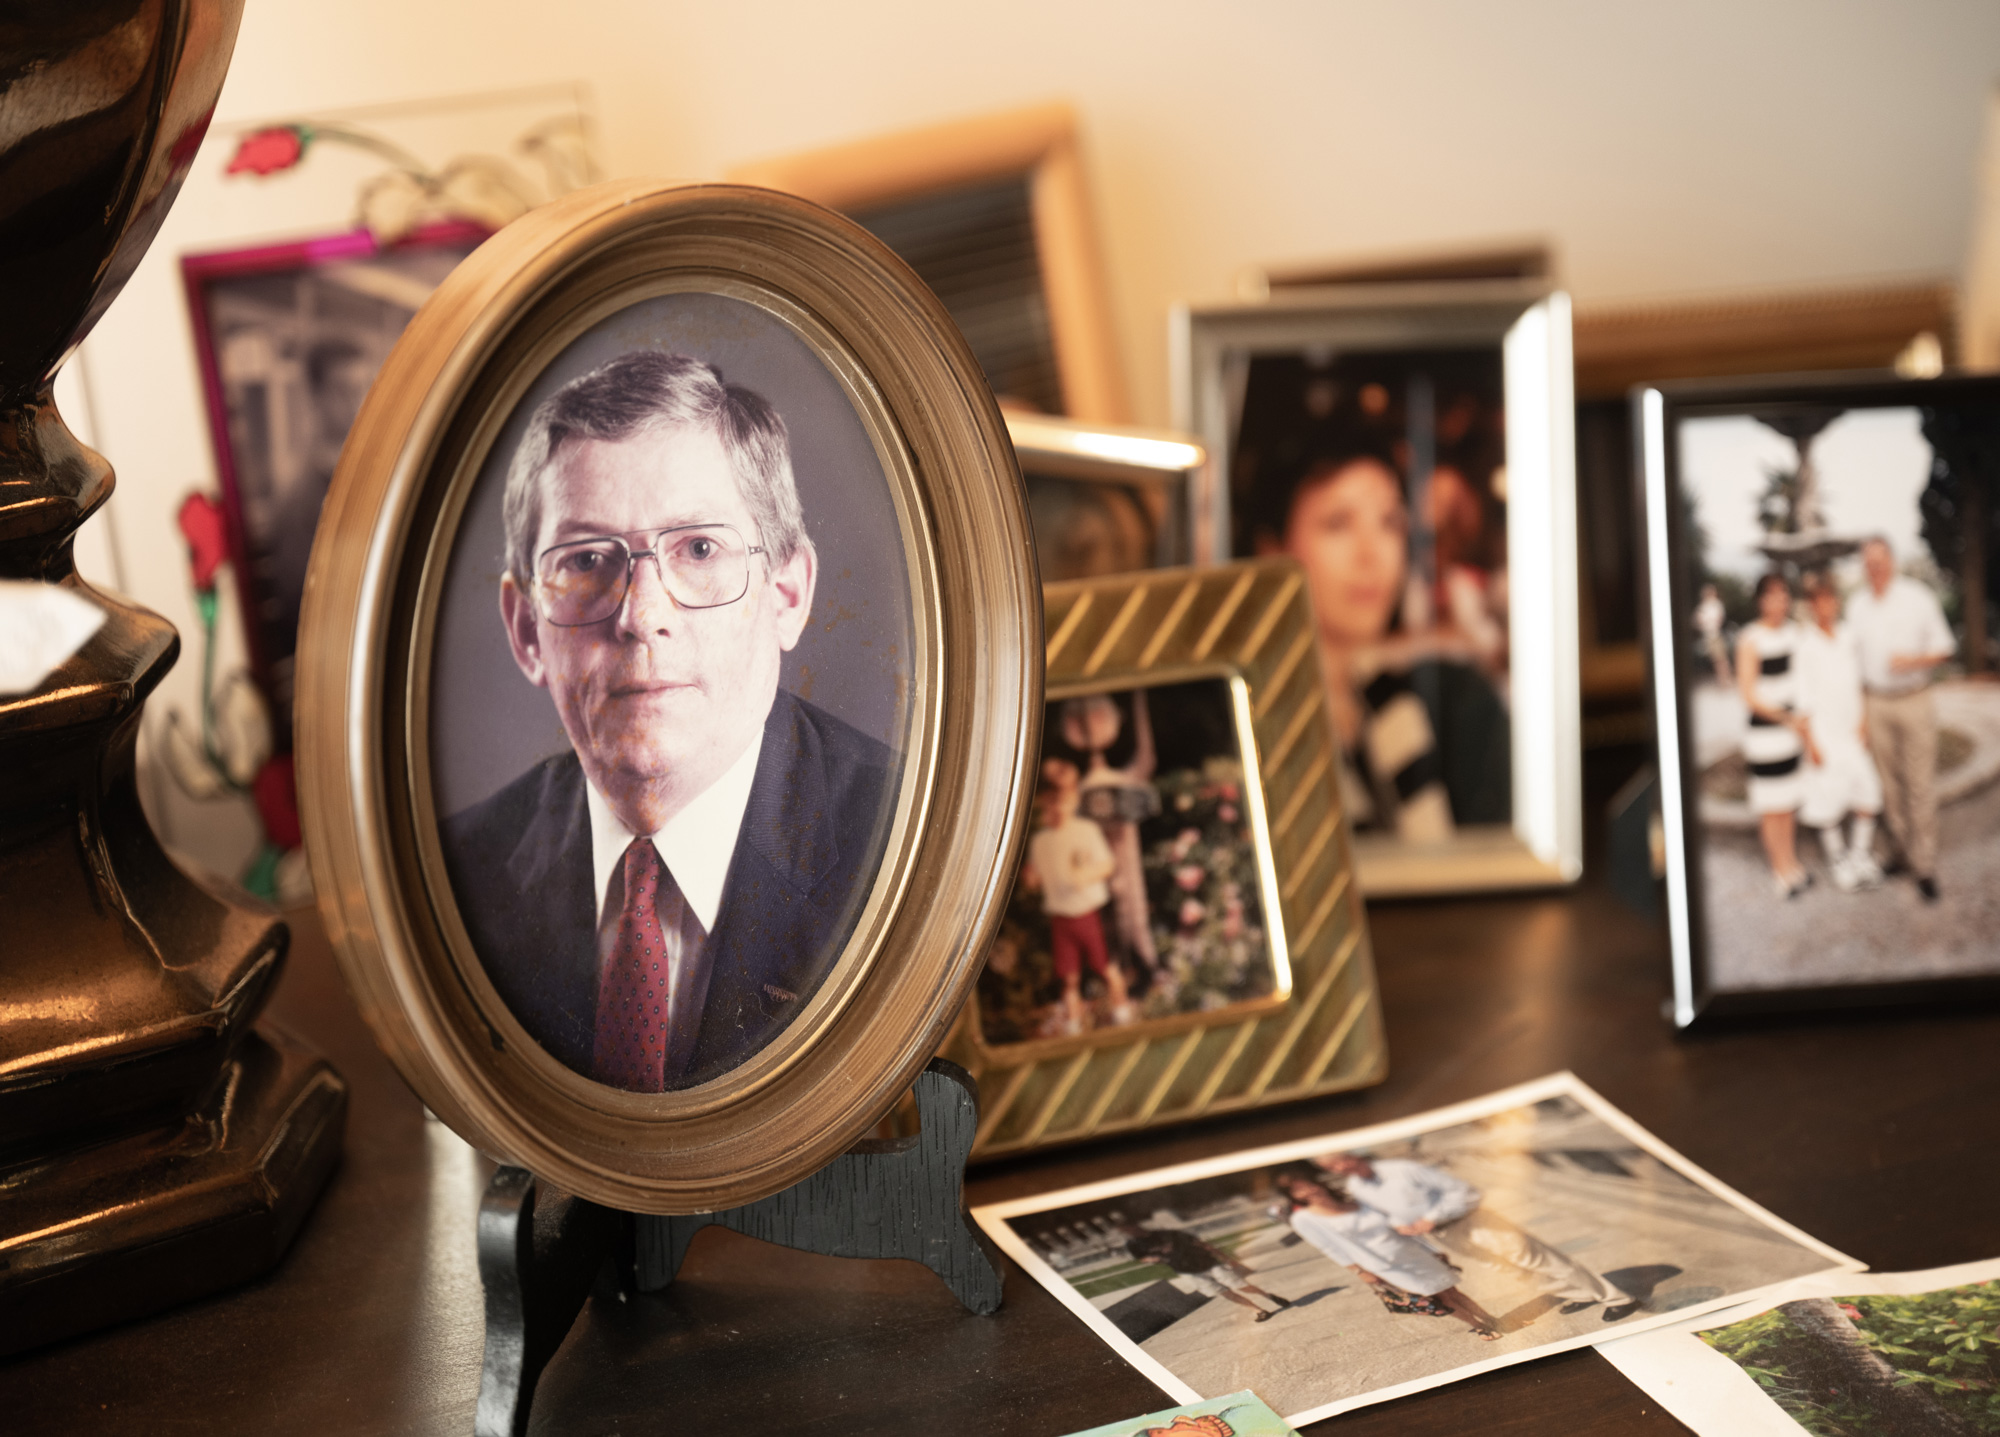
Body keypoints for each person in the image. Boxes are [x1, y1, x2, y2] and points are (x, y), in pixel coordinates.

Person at [440, 351, 894, 1093]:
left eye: (699, 548)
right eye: (587, 559)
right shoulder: (458, 880)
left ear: (786, 594)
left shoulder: (908, 842)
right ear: (526, 629)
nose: (642, 616)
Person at [1252, 418, 1510, 841]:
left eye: (1390, 523)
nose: (1371, 555)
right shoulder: (1252, 728)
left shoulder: (1449, 700)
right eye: (1338, 524)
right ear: (1272, 550)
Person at [1313, 1151, 1639, 1322]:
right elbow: (1390, 1214)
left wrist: (1430, 1218)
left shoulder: (1400, 1169)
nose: (1341, 1168)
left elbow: (1464, 1192)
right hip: (1444, 1235)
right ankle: (1579, 1295)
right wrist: (1404, 1227)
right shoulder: (1357, 1188)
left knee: (1539, 1259)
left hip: (1472, 1220)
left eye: (1341, 1160)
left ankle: (1617, 1298)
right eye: (1333, 1167)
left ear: (1354, 1155)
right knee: (1509, 1270)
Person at [1846, 538, 1956, 902]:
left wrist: (1912, 662)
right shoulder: (1857, 606)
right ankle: (1899, 853)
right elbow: (1852, 664)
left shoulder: (1917, 597)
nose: (1874, 568)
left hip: (1914, 700)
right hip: (1876, 702)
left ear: (1891, 561)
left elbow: (1945, 648)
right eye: (1868, 563)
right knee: (1888, 786)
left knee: (1919, 784)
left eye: (1880, 561)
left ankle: (1923, 865)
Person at [1271, 1166, 1501, 1340]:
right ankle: (1479, 1326)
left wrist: (1432, 1249)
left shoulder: (1355, 1201)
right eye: (1298, 1188)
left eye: (1307, 1182)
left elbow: (1396, 1224)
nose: (1308, 1188)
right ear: (1293, 1195)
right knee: (1438, 1297)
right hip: (1385, 1265)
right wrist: (1360, 1271)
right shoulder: (1304, 1219)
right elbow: (1329, 1247)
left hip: (1410, 1251)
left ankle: (1491, 1319)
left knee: (1452, 1290)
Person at [1023, 754, 1131, 1034]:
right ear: (1045, 804)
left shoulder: (1086, 831)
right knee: (1068, 977)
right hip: (1062, 916)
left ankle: (1122, 1013)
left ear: (1073, 801)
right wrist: (1031, 879)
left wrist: (1086, 874)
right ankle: (1072, 1024)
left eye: (1063, 800)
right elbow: (1035, 878)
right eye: (1052, 801)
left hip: (1090, 913)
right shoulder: (1041, 841)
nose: (1058, 807)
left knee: (1107, 968)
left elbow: (1107, 865)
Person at [1796, 580, 1884, 892]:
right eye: (1818, 602)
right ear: (1811, 606)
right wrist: (1809, 741)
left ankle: (1860, 854)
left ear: (1836, 603)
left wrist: (1863, 722)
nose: (1825, 607)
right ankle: (1838, 860)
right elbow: (1802, 696)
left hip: (1851, 730)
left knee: (1868, 792)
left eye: (1830, 600)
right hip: (1823, 732)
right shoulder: (1805, 643)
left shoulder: (1848, 636)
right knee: (1827, 799)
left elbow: (1858, 682)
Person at [1737, 571, 1813, 898]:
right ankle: (1779, 871)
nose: (1778, 602)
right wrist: (1785, 718)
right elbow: (1749, 692)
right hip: (1767, 734)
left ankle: (1793, 862)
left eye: (1783, 595)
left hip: (1792, 732)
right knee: (1772, 806)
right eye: (1771, 596)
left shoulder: (1796, 633)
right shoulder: (1750, 638)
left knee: (1788, 800)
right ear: (1760, 600)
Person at [1123, 1222, 1292, 1323]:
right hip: (1187, 1271)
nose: (1128, 1231)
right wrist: (1151, 1259)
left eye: (1128, 1227)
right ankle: (1258, 1310)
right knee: (1223, 1292)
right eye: (1125, 1230)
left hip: (1208, 1263)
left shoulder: (1167, 1234)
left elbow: (1201, 1244)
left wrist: (1226, 1258)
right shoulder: (1134, 1245)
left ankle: (1269, 1296)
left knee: (1240, 1285)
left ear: (1135, 1225)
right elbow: (1141, 1257)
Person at [1694, 583, 1730, 685]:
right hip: (1707, 636)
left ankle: (1725, 680)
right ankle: (1722, 680)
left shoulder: (1716, 604)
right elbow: (1697, 620)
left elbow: (1719, 619)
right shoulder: (1703, 606)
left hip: (1715, 635)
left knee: (1721, 658)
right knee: (1716, 660)